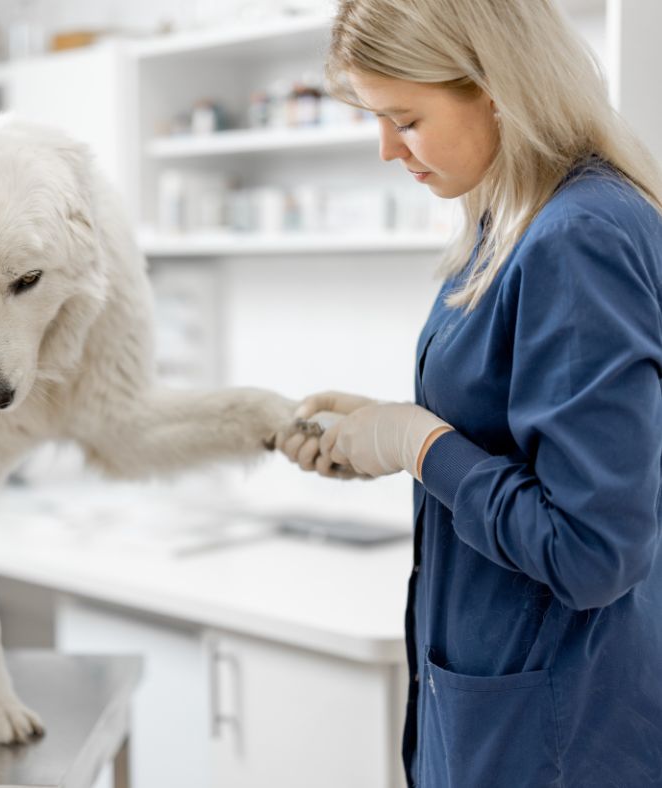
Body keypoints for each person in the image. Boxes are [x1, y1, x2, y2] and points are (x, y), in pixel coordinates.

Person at [277, 1, 662, 786]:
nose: (388, 150)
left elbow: (592, 553)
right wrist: (392, 432)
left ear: (496, 88)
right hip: (502, 697)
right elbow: (517, 437)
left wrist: (421, 445)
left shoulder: (577, 236)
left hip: (557, 731)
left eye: (406, 119)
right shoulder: (512, 224)